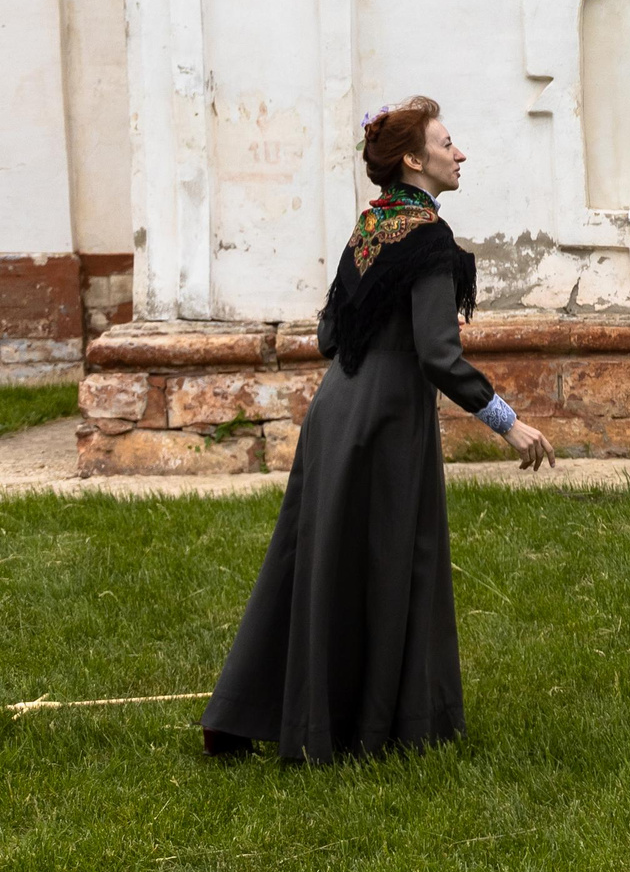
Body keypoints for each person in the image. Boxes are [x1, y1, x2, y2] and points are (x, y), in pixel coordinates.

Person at [200, 97, 554, 763]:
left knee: (312, 560)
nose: (461, 153)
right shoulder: (429, 241)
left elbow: (330, 333)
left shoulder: (371, 227)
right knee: (392, 557)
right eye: (449, 142)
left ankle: (250, 714)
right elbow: (437, 353)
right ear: (414, 159)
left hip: (335, 412)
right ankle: (382, 724)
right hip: (388, 417)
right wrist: (508, 422)